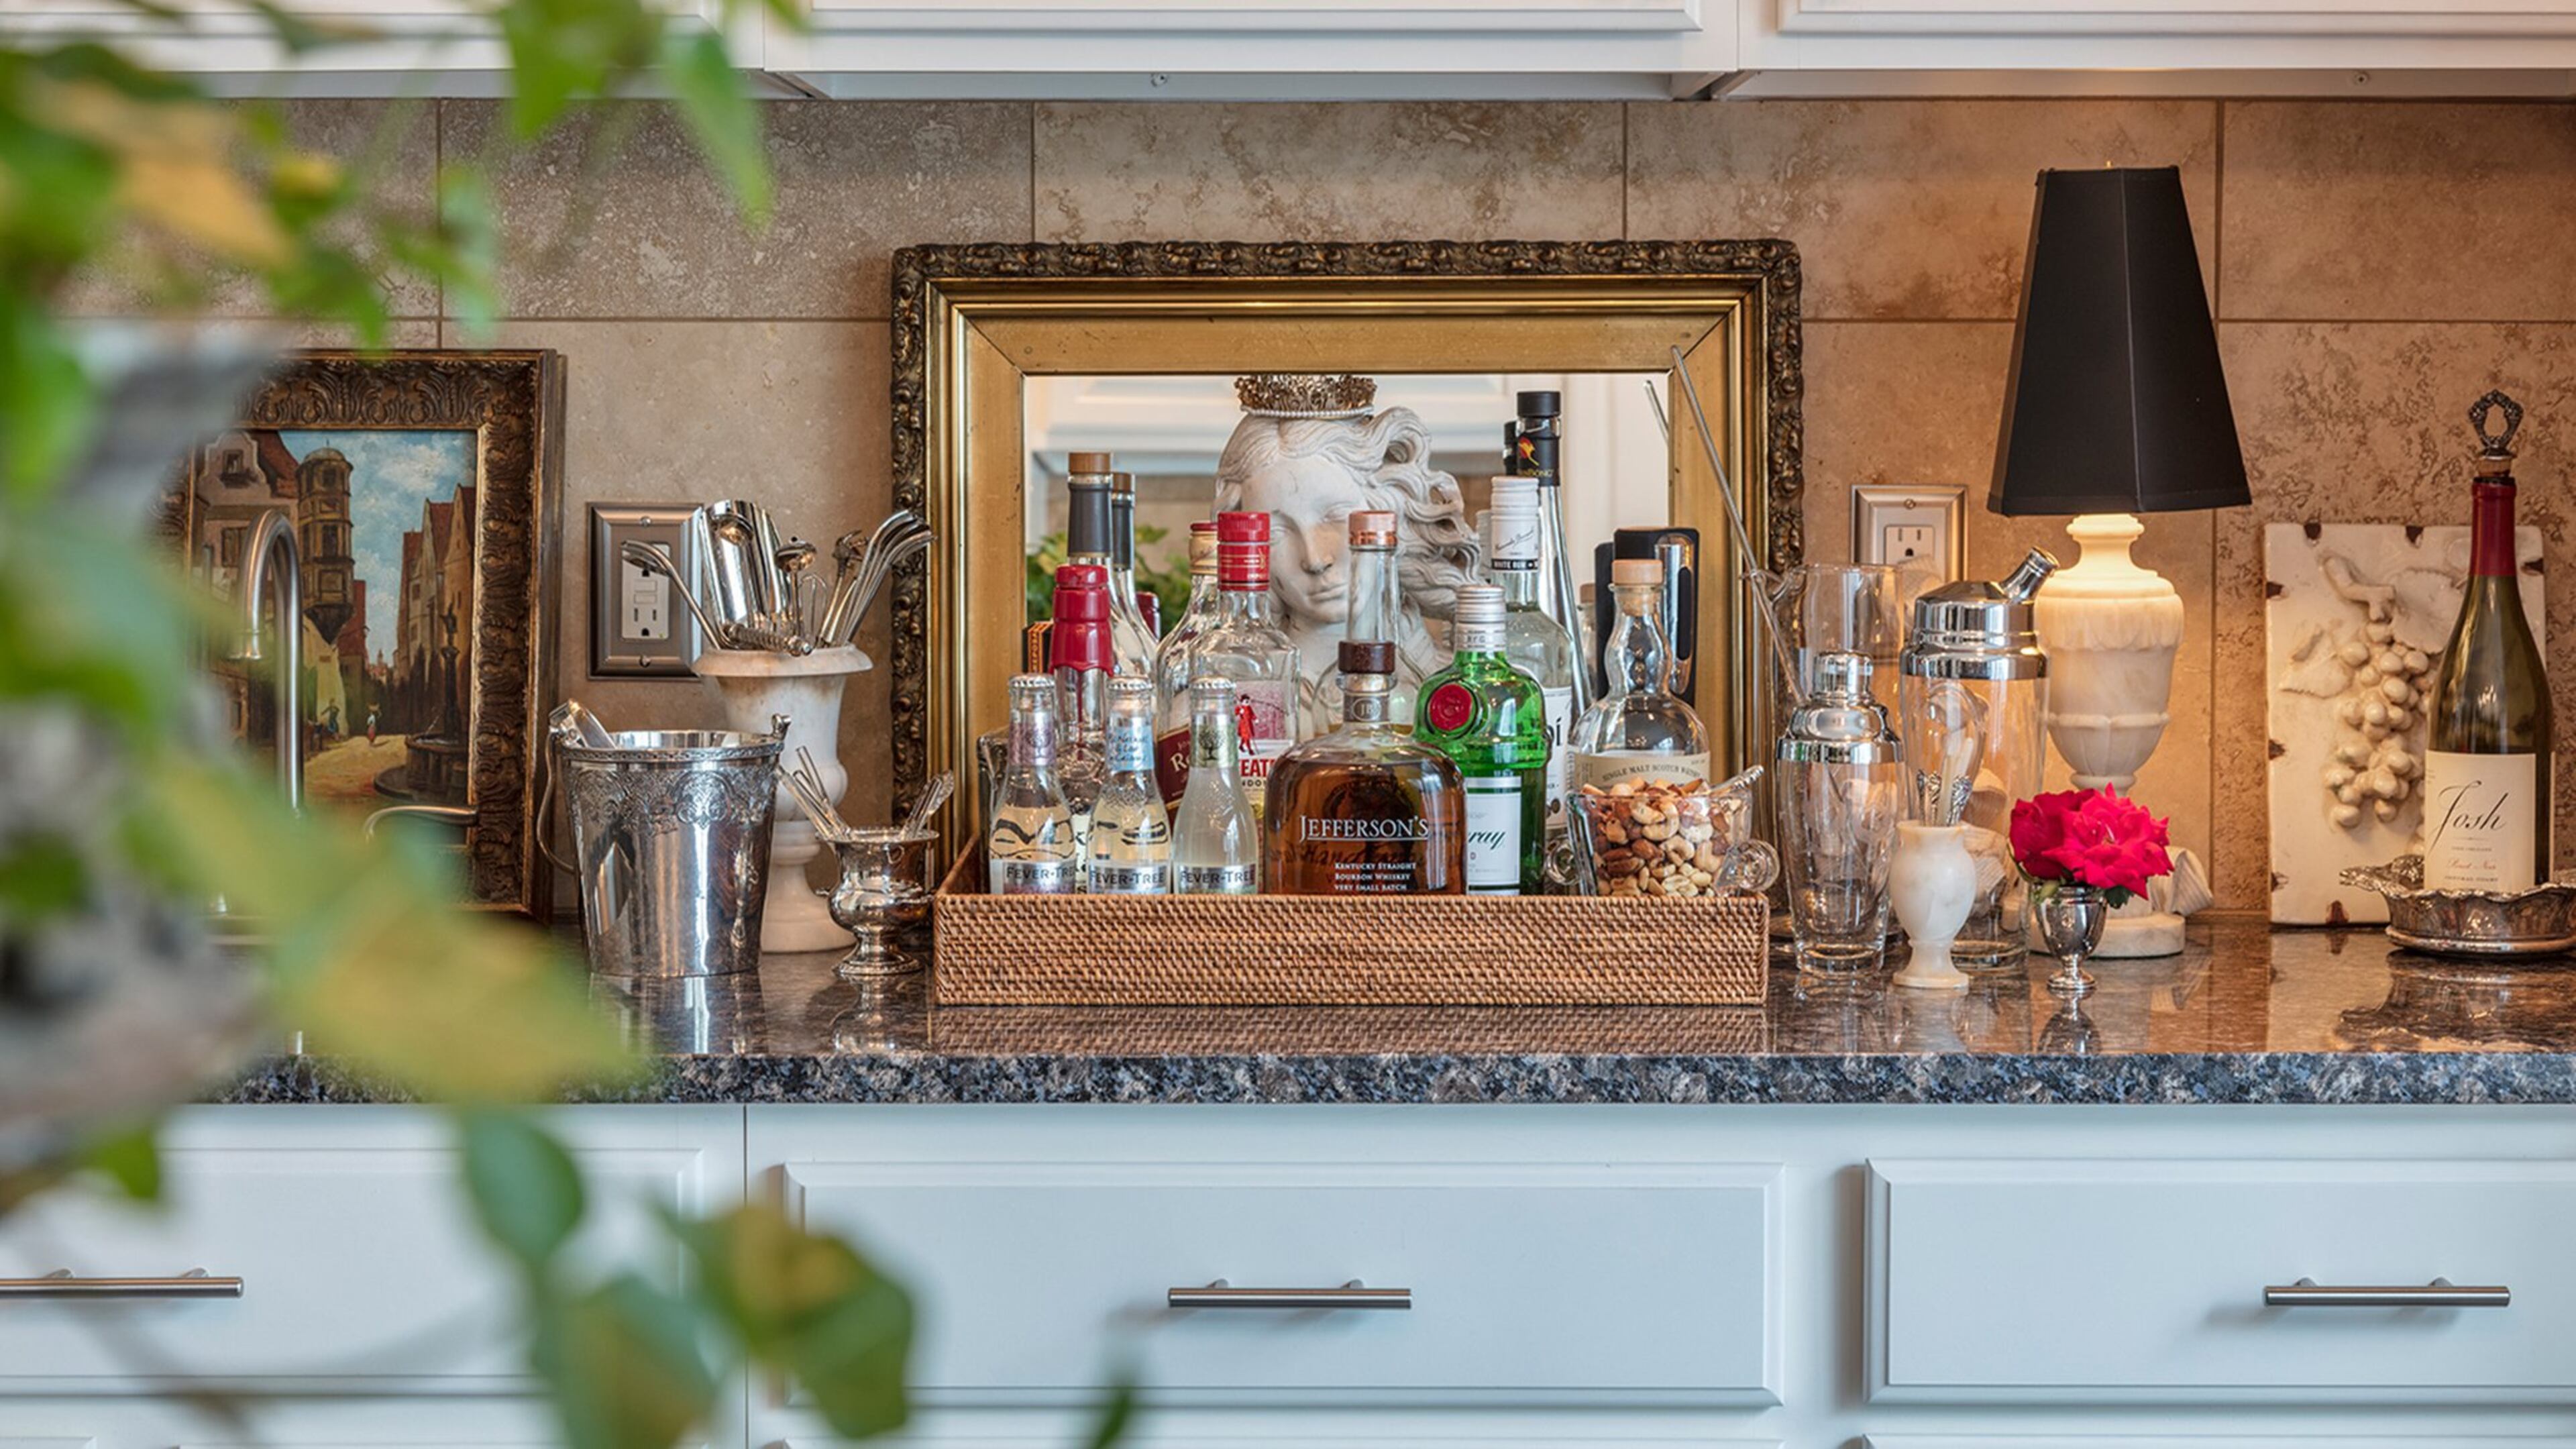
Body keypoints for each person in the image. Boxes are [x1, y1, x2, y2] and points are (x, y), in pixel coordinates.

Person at [1215, 403, 1481, 731]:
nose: (1315, 559)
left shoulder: (1451, 692)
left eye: (1335, 516)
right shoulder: (1231, 700)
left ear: (1389, 514)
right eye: (1277, 534)